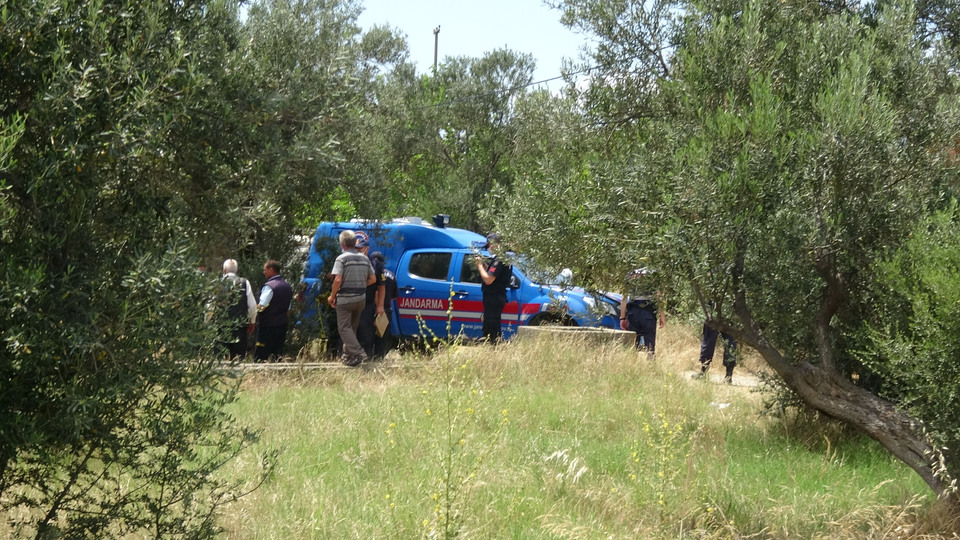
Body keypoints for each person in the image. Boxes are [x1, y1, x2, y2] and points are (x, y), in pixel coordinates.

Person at [328, 230, 376, 366]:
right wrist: (361, 285)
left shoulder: (341, 259)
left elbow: (337, 279)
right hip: (360, 299)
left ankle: (359, 352)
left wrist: (332, 296)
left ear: (342, 244)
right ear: (355, 243)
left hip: (345, 299)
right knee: (352, 329)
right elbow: (373, 279)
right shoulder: (364, 258)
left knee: (344, 328)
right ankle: (348, 357)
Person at [475, 233, 513, 343]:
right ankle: (492, 342)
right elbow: (495, 275)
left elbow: (488, 279)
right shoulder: (503, 258)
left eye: (489, 245)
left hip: (494, 297)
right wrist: (485, 266)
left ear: (495, 244)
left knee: (491, 326)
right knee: (492, 322)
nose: (488, 248)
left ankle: (492, 344)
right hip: (496, 296)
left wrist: (479, 266)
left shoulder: (499, 260)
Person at [619, 267, 666, 355]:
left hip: (633, 314)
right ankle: (650, 364)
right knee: (650, 345)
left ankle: (632, 364)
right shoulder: (653, 274)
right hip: (648, 314)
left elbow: (624, 298)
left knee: (633, 344)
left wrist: (622, 318)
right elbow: (659, 297)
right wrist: (662, 316)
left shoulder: (630, 275)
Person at [254, 259, 293, 362]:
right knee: (277, 354)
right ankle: (275, 375)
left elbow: (262, 306)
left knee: (261, 355)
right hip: (282, 326)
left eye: (265, 270)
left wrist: (254, 313)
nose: (263, 272)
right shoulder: (287, 286)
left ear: (271, 270)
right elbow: (288, 310)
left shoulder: (269, 287)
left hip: (267, 327)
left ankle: (258, 375)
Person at [218, 259, 257, 360]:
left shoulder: (218, 283)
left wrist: (207, 323)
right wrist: (252, 321)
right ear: (236, 270)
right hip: (239, 326)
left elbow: (209, 306)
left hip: (220, 326)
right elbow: (252, 305)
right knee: (238, 359)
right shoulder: (245, 282)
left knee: (219, 358)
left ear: (224, 270)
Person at [354, 232, 385, 359]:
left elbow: (381, 286)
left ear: (367, 248)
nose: (358, 251)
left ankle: (366, 358)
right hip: (351, 302)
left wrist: (380, 306)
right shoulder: (349, 261)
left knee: (366, 332)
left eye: (360, 248)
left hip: (367, 303)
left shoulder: (375, 264)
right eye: (356, 248)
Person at [373, 252, 398, 358]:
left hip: (372, 309)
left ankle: (369, 357)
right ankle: (379, 358)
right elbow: (394, 296)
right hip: (386, 310)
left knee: (369, 336)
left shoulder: (372, 274)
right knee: (382, 337)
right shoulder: (392, 275)